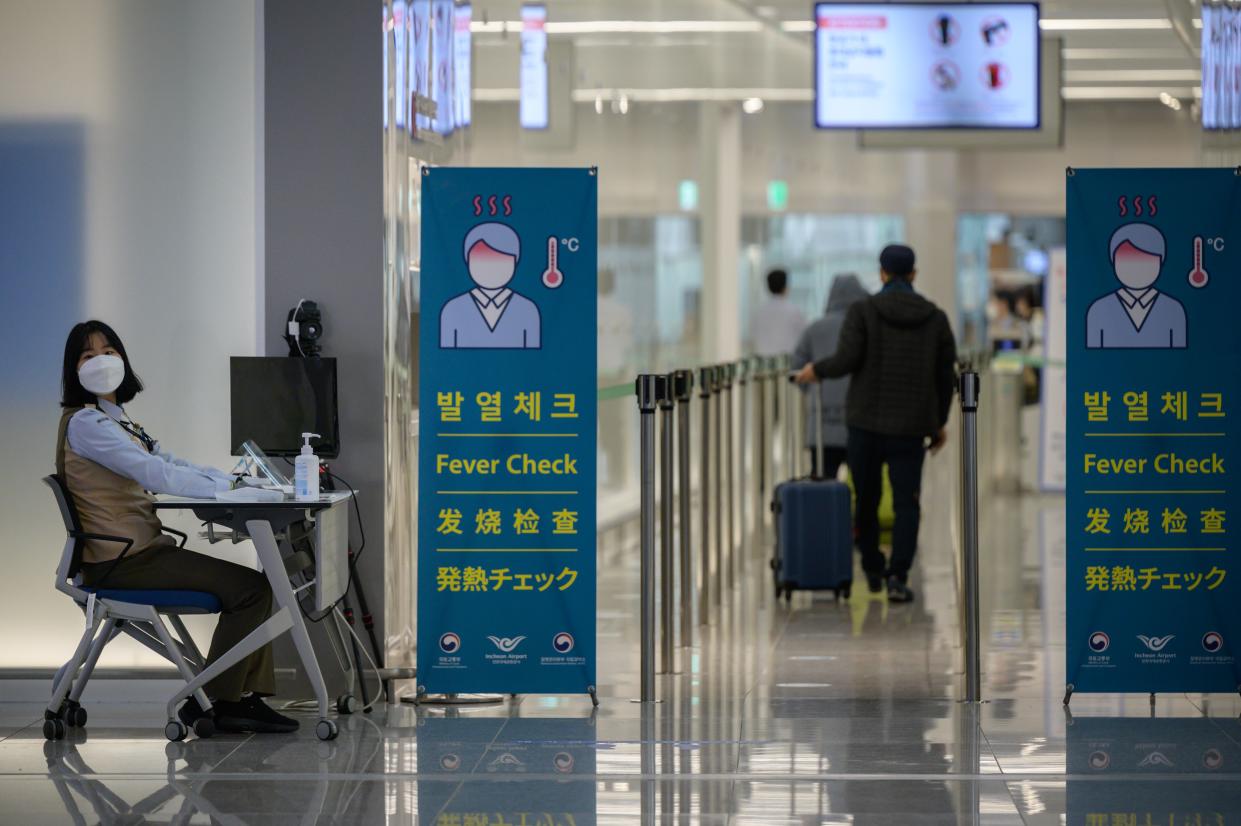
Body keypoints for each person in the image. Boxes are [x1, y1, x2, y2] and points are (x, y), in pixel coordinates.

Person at [56, 320, 298, 733]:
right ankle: (221, 701)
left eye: (108, 351)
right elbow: (155, 475)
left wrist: (235, 484)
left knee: (257, 585)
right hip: (123, 561)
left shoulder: (116, 420)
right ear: (74, 370)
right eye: (88, 355)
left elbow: (171, 463)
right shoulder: (86, 424)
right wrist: (228, 491)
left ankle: (235, 697)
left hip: (139, 552)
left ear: (123, 359)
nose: (101, 361)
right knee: (253, 589)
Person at [794, 245, 957, 603]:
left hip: (866, 423)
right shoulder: (935, 318)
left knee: (866, 499)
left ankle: (870, 564)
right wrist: (938, 423)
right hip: (911, 427)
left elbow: (847, 358)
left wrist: (816, 370)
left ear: (882, 273)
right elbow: (946, 377)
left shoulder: (864, 311)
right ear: (913, 274)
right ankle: (898, 575)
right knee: (907, 502)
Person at [791, 274, 869, 480]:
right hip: (859, 422)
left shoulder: (814, 329)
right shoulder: (865, 328)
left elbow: (797, 368)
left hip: (821, 423)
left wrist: (813, 389)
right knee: (863, 486)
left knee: (823, 483)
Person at [440, 222, 541, 349]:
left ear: (515, 263)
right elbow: (446, 358)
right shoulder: (452, 309)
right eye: (482, 259)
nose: (491, 268)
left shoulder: (527, 310)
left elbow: (536, 358)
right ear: (468, 262)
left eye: (502, 261)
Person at [1085, 222, 1186, 349]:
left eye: (1147, 261)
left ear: (1160, 263)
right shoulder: (1098, 310)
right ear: (1114, 263)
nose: (1137, 269)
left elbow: (1183, 359)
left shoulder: (1173, 310)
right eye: (1127, 260)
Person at [751, 268, 806, 357]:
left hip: (763, 363)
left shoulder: (759, 312)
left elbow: (754, 337)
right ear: (785, 287)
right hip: (787, 363)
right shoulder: (794, 311)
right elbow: (803, 339)